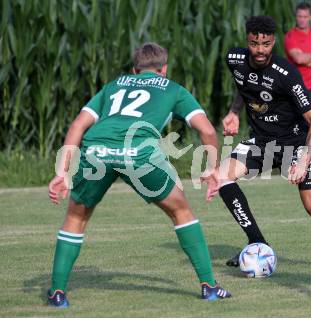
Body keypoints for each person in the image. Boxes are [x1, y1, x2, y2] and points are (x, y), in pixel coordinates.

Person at [46, 42, 231, 307]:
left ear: (135, 70)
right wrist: (212, 168)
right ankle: (209, 287)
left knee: (76, 216)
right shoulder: (173, 89)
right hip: (138, 154)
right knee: (181, 212)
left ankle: (57, 294)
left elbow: (78, 124)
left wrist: (62, 171)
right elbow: (208, 131)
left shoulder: (113, 86)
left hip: (96, 151)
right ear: (164, 69)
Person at [218, 16, 311, 269]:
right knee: (223, 176)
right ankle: (258, 245)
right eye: (254, 43)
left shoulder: (285, 73)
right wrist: (234, 112)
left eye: (266, 44)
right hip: (262, 141)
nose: (260, 50)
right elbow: (244, 87)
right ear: (247, 41)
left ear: (273, 41)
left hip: (295, 142)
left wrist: (304, 159)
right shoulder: (234, 60)